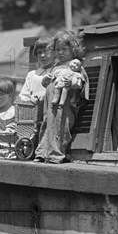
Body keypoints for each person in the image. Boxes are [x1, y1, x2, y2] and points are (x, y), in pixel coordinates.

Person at [33, 30, 88, 164]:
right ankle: (42, 153)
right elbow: (48, 82)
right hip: (50, 105)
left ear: (73, 49)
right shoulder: (56, 66)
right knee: (46, 125)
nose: (60, 52)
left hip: (65, 105)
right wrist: (46, 80)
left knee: (61, 126)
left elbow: (81, 81)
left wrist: (72, 83)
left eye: (64, 49)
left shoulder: (75, 65)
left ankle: (56, 154)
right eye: (57, 49)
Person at [17, 37, 56, 105]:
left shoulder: (58, 71)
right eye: (39, 52)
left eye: (46, 51)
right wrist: (31, 99)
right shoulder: (32, 75)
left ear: (54, 53)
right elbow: (23, 96)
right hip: (35, 110)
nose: (42, 55)